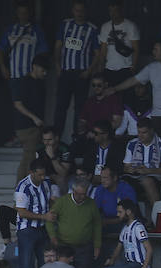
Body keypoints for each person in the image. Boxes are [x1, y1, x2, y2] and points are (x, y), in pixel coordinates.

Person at [108, 39, 161, 134]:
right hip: (156, 115)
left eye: (155, 49)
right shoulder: (151, 68)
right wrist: (115, 89)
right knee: (157, 145)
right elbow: (133, 80)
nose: (153, 52)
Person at [54, 1, 101, 142]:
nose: (79, 13)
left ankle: (77, 140)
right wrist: (57, 66)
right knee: (60, 107)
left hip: (82, 74)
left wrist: (89, 71)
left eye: (81, 10)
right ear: (72, 11)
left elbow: (97, 53)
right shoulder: (65, 24)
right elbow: (57, 46)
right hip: (65, 72)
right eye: (76, 10)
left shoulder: (92, 29)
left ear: (86, 11)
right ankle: (55, 138)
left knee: (80, 109)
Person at [13, 158, 58, 268]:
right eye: (39, 175)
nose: (42, 177)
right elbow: (21, 212)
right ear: (31, 172)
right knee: (26, 267)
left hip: (43, 228)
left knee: (45, 264)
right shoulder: (22, 187)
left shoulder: (46, 182)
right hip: (27, 229)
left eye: (44, 174)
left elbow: (50, 200)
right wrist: (44, 216)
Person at [11, 54, 52, 182]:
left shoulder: (41, 84)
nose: (44, 73)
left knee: (31, 158)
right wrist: (34, 118)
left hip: (36, 126)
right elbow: (18, 104)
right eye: (42, 69)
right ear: (34, 67)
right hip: (26, 126)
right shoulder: (23, 82)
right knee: (28, 159)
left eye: (46, 70)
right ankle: (20, 191)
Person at [122, 118, 161, 207]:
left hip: (155, 175)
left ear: (152, 131)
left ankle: (158, 215)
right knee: (122, 182)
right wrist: (129, 169)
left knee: (147, 181)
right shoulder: (132, 144)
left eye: (144, 132)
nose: (140, 136)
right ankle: (130, 216)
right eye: (139, 132)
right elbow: (125, 167)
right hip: (135, 175)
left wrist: (148, 171)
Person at [97, 1, 141, 94]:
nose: (113, 14)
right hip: (109, 69)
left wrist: (133, 67)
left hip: (126, 68)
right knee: (110, 99)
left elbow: (136, 49)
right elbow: (103, 50)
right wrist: (101, 68)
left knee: (126, 98)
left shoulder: (130, 26)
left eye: (116, 10)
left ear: (121, 10)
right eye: (111, 11)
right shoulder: (105, 27)